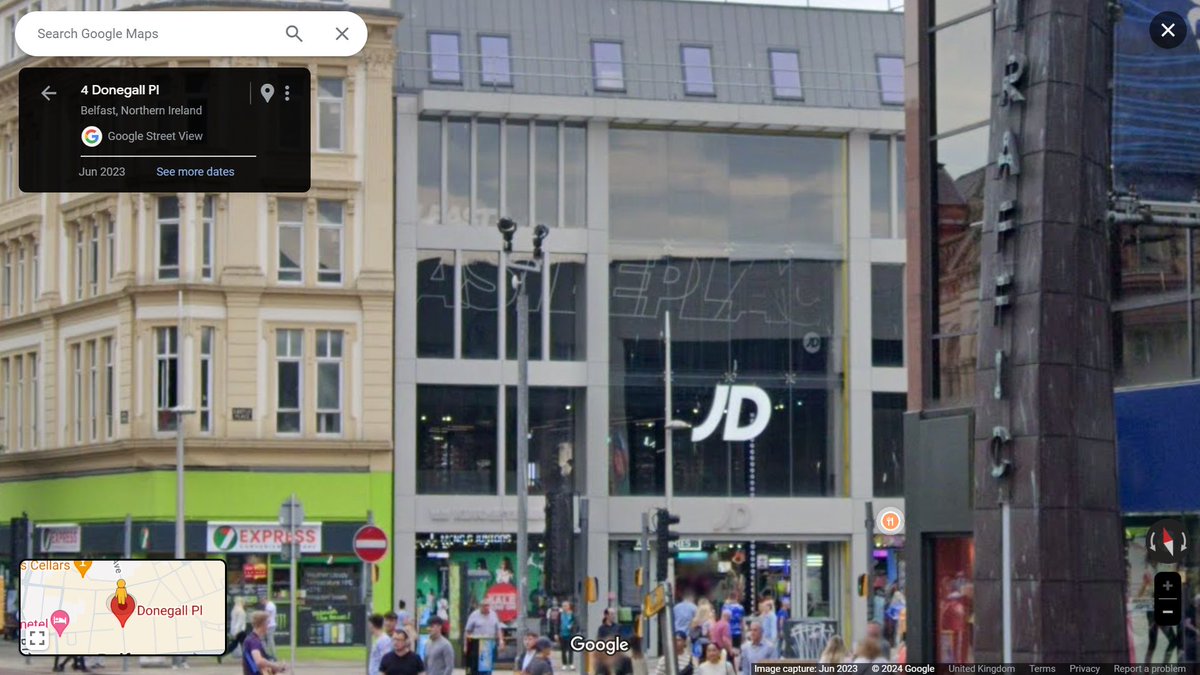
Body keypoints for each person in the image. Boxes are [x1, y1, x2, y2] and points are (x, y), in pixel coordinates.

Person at [464, 599, 505, 675]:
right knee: (475, 668)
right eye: (484, 606)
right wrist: (466, 645)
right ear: (480, 607)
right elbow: (467, 631)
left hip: (489, 644)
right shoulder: (474, 615)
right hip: (476, 644)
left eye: (487, 605)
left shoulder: (493, 614)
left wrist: (501, 641)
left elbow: (498, 629)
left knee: (487, 668)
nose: (486, 608)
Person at [243, 611, 287, 675]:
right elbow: (259, 661)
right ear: (263, 624)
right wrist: (275, 666)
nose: (268, 626)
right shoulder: (254, 641)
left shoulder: (251, 639)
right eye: (268, 623)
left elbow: (260, 666)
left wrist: (275, 668)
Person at [559, 601, 577, 670]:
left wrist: (572, 627)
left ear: (569, 606)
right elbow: (557, 623)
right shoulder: (560, 614)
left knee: (570, 650)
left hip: (570, 634)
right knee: (563, 650)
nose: (564, 607)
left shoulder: (572, 614)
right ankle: (564, 664)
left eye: (566, 606)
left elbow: (575, 623)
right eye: (563, 606)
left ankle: (571, 663)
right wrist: (556, 633)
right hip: (562, 634)